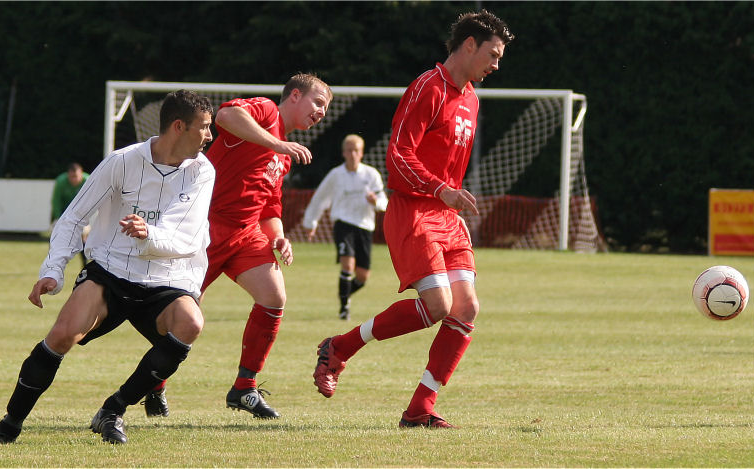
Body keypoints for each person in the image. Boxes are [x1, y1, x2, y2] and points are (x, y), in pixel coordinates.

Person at [0, 90, 216, 445]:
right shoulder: (122, 161)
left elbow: (189, 239)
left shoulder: (202, 171)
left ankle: (113, 410)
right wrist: (53, 270)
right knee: (61, 335)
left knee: (190, 324)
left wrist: (148, 235)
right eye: (205, 127)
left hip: (167, 277)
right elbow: (74, 218)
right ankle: (8, 427)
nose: (210, 136)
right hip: (111, 271)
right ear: (178, 126)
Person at [313, 10, 514, 428]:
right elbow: (397, 158)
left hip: (447, 216)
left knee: (467, 308)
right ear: (469, 45)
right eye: (493, 54)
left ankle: (420, 407)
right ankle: (340, 347)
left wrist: (450, 195)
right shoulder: (429, 87)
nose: (496, 64)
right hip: (414, 211)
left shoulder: (472, 99)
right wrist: (440, 188)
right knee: (439, 305)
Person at [192, 73, 332, 419]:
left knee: (274, 298)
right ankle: (155, 383)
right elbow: (225, 116)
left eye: (325, 109)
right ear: (295, 95)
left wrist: (278, 237)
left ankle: (244, 388)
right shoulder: (267, 112)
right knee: (185, 314)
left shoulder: (283, 155)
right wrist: (277, 143)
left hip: (245, 234)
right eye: (318, 102)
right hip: (204, 227)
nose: (321, 113)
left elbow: (269, 206)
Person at [302, 134, 388, 320]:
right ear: (343, 153)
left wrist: (376, 202)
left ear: (362, 153)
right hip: (343, 223)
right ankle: (344, 309)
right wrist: (311, 222)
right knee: (347, 263)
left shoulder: (371, 175)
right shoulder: (336, 175)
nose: (352, 154)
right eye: (349, 150)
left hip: (365, 226)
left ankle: (344, 293)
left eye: (356, 150)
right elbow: (320, 198)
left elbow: (384, 202)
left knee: (363, 276)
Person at [51, 162, 90, 265]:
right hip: (63, 213)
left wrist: (85, 217)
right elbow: (56, 201)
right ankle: (52, 263)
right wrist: (58, 219)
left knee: (82, 238)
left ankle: (85, 264)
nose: (74, 179)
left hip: (81, 214)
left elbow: (90, 202)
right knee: (56, 238)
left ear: (81, 174)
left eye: (76, 176)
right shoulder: (61, 181)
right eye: (71, 177)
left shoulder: (88, 181)